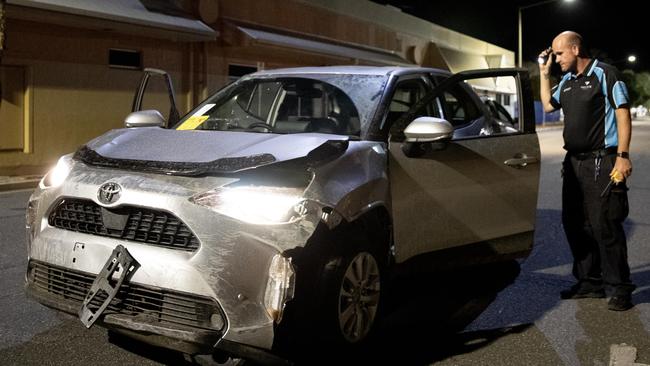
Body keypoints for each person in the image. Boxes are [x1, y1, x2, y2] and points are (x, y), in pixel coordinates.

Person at [539, 31, 635, 311]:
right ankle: (590, 281)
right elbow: (547, 104)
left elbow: (622, 112)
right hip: (573, 163)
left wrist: (623, 156)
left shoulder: (606, 74)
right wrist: (544, 74)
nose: (556, 60)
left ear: (575, 48)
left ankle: (620, 287)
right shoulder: (567, 82)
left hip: (601, 161)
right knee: (575, 224)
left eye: (559, 54)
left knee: (605, 224)